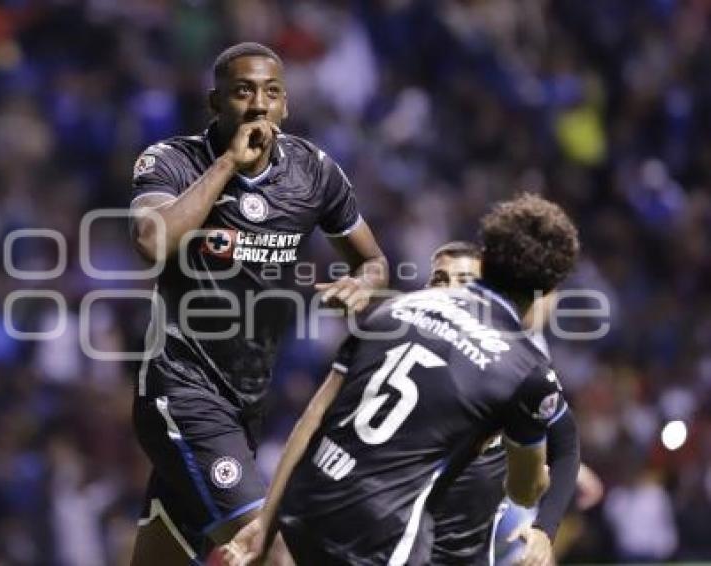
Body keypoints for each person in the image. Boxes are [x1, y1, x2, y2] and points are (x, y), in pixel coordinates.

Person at [128, 42, 389, 564]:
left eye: (271, 92)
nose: (258, 104)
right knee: (269, 551)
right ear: (215, 102)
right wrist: (228, 163)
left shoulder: (313, 172)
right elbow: (152, 242)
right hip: (180, 390)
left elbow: (374, 261)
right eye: (242, 91)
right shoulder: (172, 161)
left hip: (247, 404)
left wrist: (363, 284)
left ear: (286, 105)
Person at [220, 193, 580, 566]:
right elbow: (524, 490)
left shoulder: (393, 309)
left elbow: (313, 419)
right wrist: (537, 476)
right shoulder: (526, 370)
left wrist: (267, 521)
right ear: (549, 289)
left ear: (485, 258)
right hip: (381, 538)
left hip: (307, 508)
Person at [427, 241, 601, 566]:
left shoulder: (530, 348)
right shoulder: (444, 335)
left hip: (498, 485)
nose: (546, 301)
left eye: (550, 291)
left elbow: (553, 426)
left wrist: (568, 475)